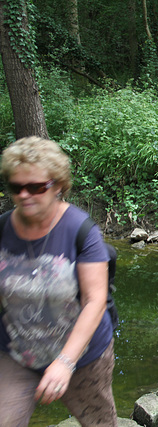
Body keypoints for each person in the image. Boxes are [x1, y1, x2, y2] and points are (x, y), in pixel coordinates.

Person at [0, 137, 117, 426]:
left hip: (82, 356)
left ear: (57, 186)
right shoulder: (2, 229)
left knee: (100, 423)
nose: (25, 195)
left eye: (36, 187)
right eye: (17, 187)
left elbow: (95, 301)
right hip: (15, 351)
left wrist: (65, 363)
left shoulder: (81, 230)